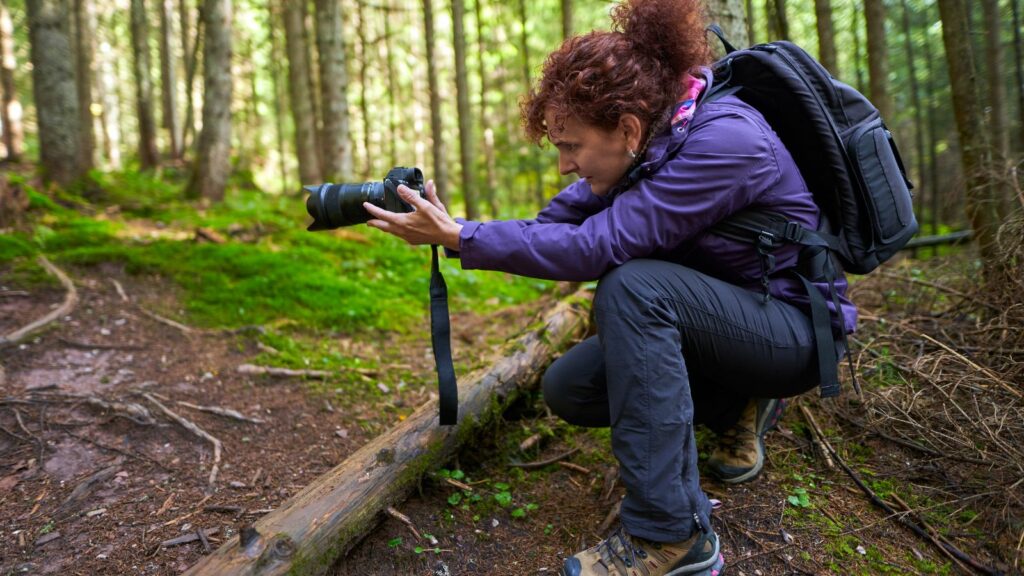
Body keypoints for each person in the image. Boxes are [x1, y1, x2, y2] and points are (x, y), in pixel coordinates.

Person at [363, 0, 857, 573]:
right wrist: (454, 233)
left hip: (789, 331)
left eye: (571, 146)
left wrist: (467, 237)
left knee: (632, 286)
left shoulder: (727, 143)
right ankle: (735, 404)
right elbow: (554, 226)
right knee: (571, 388)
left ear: (626, 129)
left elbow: (600, 246)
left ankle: (671, 536)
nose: (565, 165)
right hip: (720, 322)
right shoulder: (647, 144)